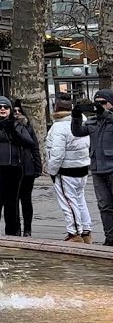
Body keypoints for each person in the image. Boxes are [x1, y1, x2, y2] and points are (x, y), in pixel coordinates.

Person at [0, 96, 39, 236]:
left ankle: (11, 232)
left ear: (10, 110)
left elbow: (30, 143)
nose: (2, 109)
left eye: (6, 107)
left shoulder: (18, 124)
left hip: (14, 167)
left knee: (12, 201)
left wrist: (14, 132)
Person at [46, 97, 93, 243]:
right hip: (82, 167)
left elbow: (57, 154)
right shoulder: (82, 121)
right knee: (80, 200)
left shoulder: (59, 127)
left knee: (68, 202)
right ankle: (86, 230)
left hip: (66, 170)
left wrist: (52, 171)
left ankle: (74, 233)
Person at [71, 89, 113, 245]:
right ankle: (110, 238)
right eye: (97, 103)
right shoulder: (92, 121)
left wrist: (105, 113)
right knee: (104, 206)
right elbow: (78, 132)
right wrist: (76, 116)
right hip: (97, 169)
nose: (100, 105)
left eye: (104, 102)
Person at [13, 99, 44, 237]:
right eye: (14, 111)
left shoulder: (28, 127)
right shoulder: (8, 127)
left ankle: (27, 229)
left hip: (27, 168)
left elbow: (34, 147)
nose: (17, 113)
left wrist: (38, 166)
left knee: (26, 200)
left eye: (19, 111)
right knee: (13, 200)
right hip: (13, 167)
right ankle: (16, 228)